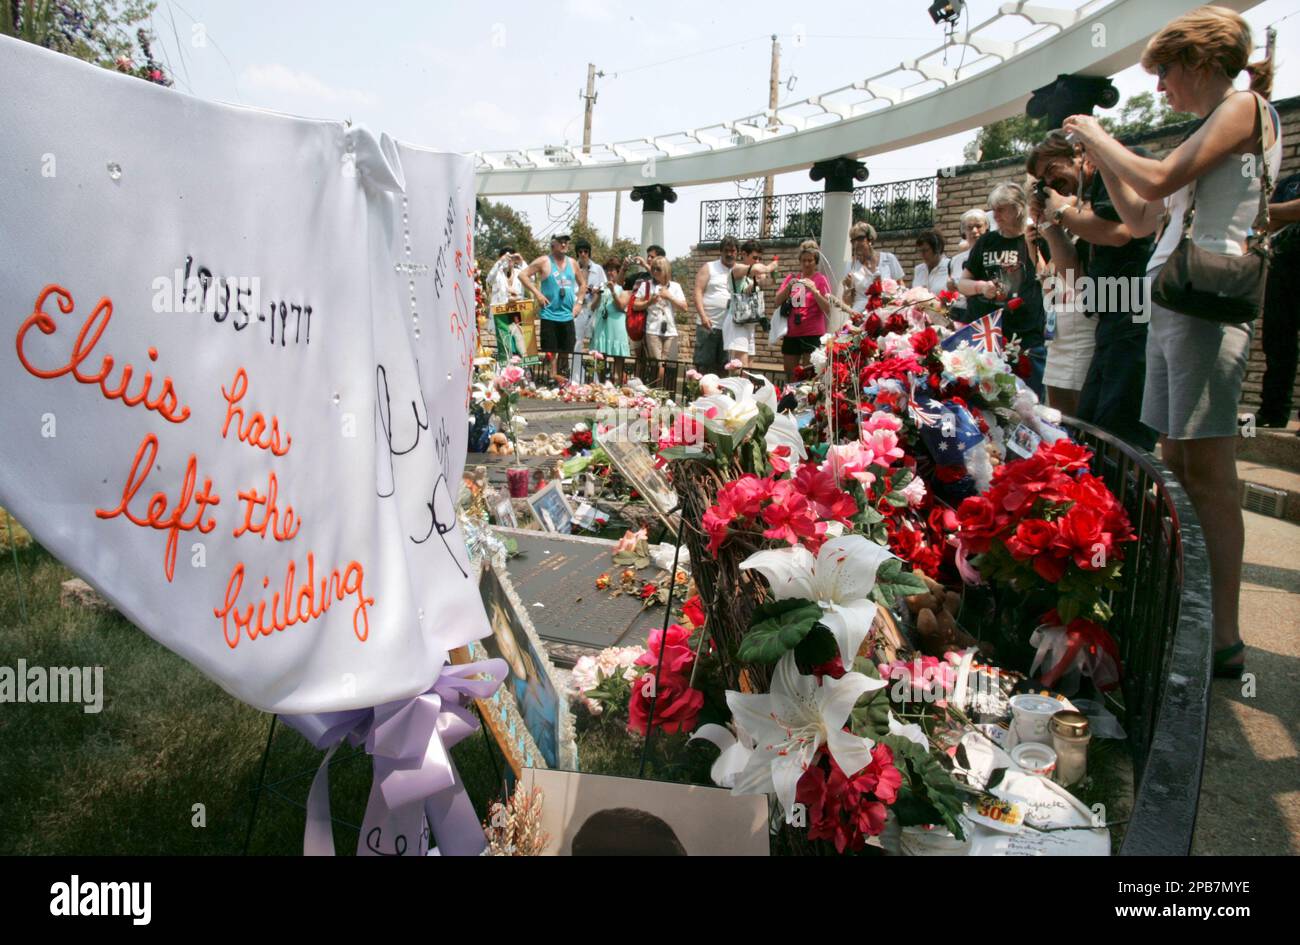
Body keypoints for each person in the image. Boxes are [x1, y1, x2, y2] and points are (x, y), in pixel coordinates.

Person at [1062, 4, 1281, 680]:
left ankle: (1224, 635)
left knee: (1208, 469)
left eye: (1165, 72)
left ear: (1199, 60)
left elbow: (1156, 180)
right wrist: (1101, 159)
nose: (1160, 88)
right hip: (1174, 303)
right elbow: (1139, 217)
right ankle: (1194, 615)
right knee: (1180, 462)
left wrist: (1098, 132)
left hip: (1205, 304)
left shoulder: (1243, 107)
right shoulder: (1210, 125)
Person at [1027, 130, 1156, 442]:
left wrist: (1062, 212)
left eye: (1052, 170)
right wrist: (1047, 223)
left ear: (1078, 152)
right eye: (1043, 181)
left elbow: (1118, 233)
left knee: (1120, 433)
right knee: (1092, 427)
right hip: (1109, 321)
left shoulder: (1113, 170)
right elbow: (1074, 275)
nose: (1050, 184)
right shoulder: (1081, 205)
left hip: (1136, 312)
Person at [957, 182, 1050, 397]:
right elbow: (963, 284)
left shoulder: (1035, 238)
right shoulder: (986, 242)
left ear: (1018, 209)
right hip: (987, 338)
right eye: (993, 209)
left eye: (1001, 209)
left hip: (1026, 339)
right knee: (990, 403)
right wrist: (981, 287)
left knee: (1031, 401)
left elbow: (1048, 281)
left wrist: (1033, 246)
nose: (995, 215)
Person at [1257, 170, 1300, 427]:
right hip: (1281, 264)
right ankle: (1273, 412)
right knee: (1277, 341)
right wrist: (1282, 212)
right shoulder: (1290, 182)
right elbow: (1266, 222)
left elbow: (1266, 212)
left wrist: (1272, 210)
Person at [518, 234, 586, 383]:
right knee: (551, 351)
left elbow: (583, 284)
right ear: (553, 244)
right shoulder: (544, 261)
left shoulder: (572, 263)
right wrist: (537, 294)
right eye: (561, 242)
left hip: (567, 315)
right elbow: (522, 275)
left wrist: (579, 303)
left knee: (566, 350)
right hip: (549, 314)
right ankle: (551, 378)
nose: (564, 245)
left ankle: (563, 379)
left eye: (566, 242)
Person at [774, 239, 831, 379]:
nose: (806, 264)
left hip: (812, 334)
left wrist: (815, 291)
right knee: (790, 374)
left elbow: (827, 308)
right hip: (792, 333)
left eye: (810, 260)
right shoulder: (792, 278)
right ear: (799, 261)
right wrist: (788, 287)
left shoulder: (820, 279)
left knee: (809, 376)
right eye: (803, 260)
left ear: (815, 261)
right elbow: (776, 301)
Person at [722, 239, 780, 371]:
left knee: (748, 365)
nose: (757, 261)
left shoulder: (751, 277)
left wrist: (770, 275)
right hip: (737, 322)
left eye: (760, 258)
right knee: (739, 366)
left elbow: (770, 282)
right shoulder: (737, 268)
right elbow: (757, 269)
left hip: (749, 322)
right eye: (755, 257)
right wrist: (771, 266)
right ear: (744, 254)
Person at [693, 236, 737, 376]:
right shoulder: (709, 267)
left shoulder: (739, 270)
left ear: (737, 252)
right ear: (720, 251)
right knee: (703, 368)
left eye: (732, 251)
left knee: (724, 369)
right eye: (726, 250)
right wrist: (703, 316)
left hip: (729, 328)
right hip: (708, 325)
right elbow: (698, 291)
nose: (729, 254)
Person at [642, 257, 687, 388]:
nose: (655, 272)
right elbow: (635, 305)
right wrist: (649, 302)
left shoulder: (675, 286)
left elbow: (684, 307)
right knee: (657, 364)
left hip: (670, 330)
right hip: (652, 329)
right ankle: (656, 390)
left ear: (666, 270)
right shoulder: (647, 285)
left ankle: (666, 392)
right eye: (653, 269)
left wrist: (669, 296)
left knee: (669, 365)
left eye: (658, 269)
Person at [842, 222, 904, 312]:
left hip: (887, 311)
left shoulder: (888, 259)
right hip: (861, 314)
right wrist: (849, 287)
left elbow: (901, 286)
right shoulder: (850, 266)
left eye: (860, 239)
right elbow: (847, 302)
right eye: (853, 240)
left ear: (870, 238)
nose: (856, 243)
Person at [588, 255, 631, 385]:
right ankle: (600, 386)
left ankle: (617, 385)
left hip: (616, 326)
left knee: (618, 360)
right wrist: (598, 295)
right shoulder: (602, 286)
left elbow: (621, 306)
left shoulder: (625, 288)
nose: (609, 273)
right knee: (601, 359)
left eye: (612, 270)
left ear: (618, 272)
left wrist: (613, 291)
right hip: (602, 325)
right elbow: (593, 307)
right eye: (607, 270)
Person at [572, 239, 606, 384]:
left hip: (594, 308)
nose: (583, 254)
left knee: (595, 344)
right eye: (580, 252)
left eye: (585, 251)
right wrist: (580, 291)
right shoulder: (572, 268)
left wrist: (596, 290)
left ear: (589, 252)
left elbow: (604, 286)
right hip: (578, 308)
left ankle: (595, 380)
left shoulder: (598, 269)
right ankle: (576, 378)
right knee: (577, 343)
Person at [947, 210, 989, 319]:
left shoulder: (991, 256)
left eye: (978, 226)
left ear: (986, 228)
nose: (974, 231)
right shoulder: (955, 261)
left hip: (983, 314)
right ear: (963, 231)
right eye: (969, 227)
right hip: (959, 313)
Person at [912, 230, 951, 295]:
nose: (922, 254)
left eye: (925, 250)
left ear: (937, 249)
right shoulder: (918, 269)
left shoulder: (950, 266)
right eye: (920, 251)